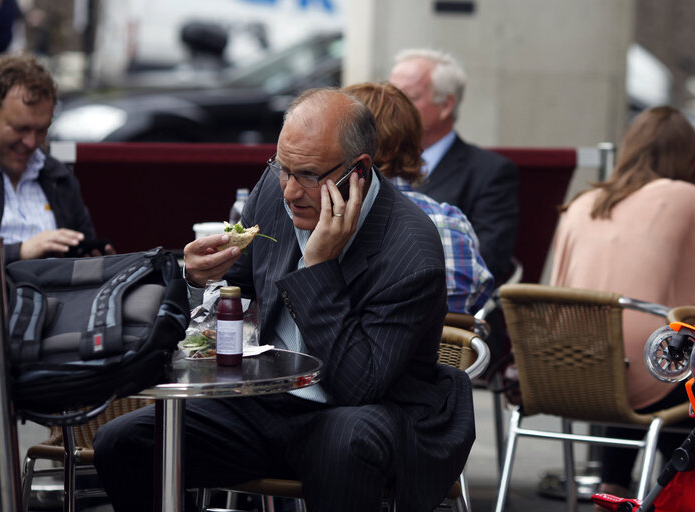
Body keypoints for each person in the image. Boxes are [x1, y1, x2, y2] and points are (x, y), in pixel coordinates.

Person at [93, 88, 475, 512]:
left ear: (359, 170)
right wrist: (198, 280)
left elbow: (357, 386)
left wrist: (317, 270)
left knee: (343, 441)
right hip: (267, 402)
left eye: (309, 175)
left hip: (367, 412)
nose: (290, 191)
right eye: (283, 168)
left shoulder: (411, 248)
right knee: (123, 441)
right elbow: (237, 290)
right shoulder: (277, 193)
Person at [550, 105, 695, 499]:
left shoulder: (585, 201)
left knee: (629, 352)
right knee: (691, 366)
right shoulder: (687, 198)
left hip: (564, 371)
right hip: (643, 374)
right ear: (689, 157)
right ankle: (672, 492)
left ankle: (613, 487)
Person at [343, 81, 493, 315]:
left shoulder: (335, 223)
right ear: (415, 140)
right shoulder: (451, 221)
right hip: (448, 352)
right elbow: (470, 308)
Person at [389, 48, 519, 284]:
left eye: (407, 97)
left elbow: (488, 261)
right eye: (390, 97)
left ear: (446, 105)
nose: (394, 109)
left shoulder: (490, 173)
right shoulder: (376, 164)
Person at [0, 52, 114, 263]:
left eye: (41, 130)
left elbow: (86, 246)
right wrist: (21, 252)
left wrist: (98, 263)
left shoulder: (57, 175)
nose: (31, 142)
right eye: (20, 128)